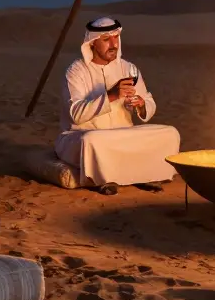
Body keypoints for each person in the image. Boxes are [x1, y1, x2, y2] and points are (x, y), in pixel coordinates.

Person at [56, 16, 181, 195]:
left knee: (170, 134)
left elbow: (148, 101)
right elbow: (75, 114)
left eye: (116, 38)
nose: (113, 44)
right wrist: (112, 95)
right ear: (92, 43)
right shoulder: (76, 71)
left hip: (123, 137)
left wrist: (141, 104)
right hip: (82, 137)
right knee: (92, 141)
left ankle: (144, 174)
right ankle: (108, 178)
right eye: (106, 39)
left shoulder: (128, 68)